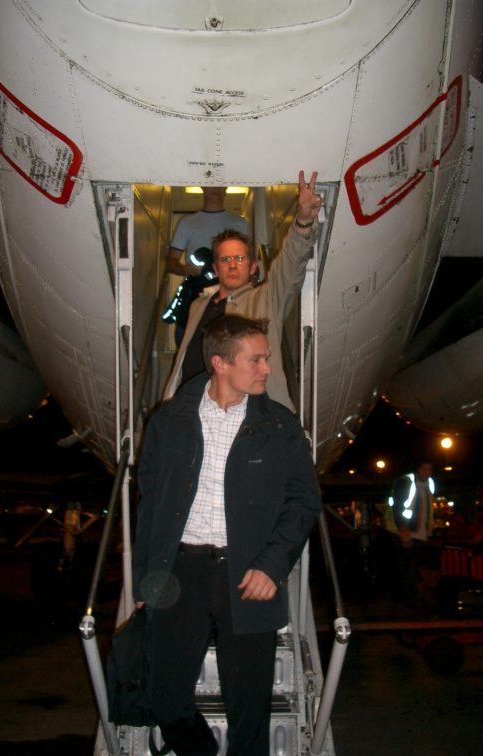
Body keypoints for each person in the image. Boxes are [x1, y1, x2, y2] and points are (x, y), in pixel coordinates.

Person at [132, 315, 322, 756]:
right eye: (255, 360)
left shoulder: (281, 426)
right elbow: (150, 505)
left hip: (249, 575)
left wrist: (273, 565)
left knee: (249, 714)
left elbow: (304, 502)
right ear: (220, 363)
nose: (266, 368)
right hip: (180, 573)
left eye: (266, 358)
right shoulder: (169, 420)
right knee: (165, 699)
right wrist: (145, 578)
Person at [163, 170, 322, 410]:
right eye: (225, 260)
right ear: (215, 268)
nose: (232, 265)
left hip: (250, 414)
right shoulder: (199, 304)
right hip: (196, 410)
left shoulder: (265, 299)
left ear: (253, 266)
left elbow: (290, 266)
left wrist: (303, 222)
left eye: (239, 258)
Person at [165, 187, 250, 345]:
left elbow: (248, 260)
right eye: (211, 184)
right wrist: (188, 270)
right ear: (203, 187)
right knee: (188, 340)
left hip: (230, 295)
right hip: (196, 293)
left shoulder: (239, 223)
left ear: (226, 188)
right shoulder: (187, 223)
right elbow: (171, 262)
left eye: (220, 184)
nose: (215, 188)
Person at [386, 460, 435, 605]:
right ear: (417, 469)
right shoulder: (405, 482)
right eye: (424, 469)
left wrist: (427, 529)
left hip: (418, 531)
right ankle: (408, 597)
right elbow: (398, 505)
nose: (426, 473)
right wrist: (402, 527)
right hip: (404, 530)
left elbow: (427, 508)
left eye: (429, 470)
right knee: (406, 564)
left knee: (411, 564)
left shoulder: (428, 484)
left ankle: (409, 595)